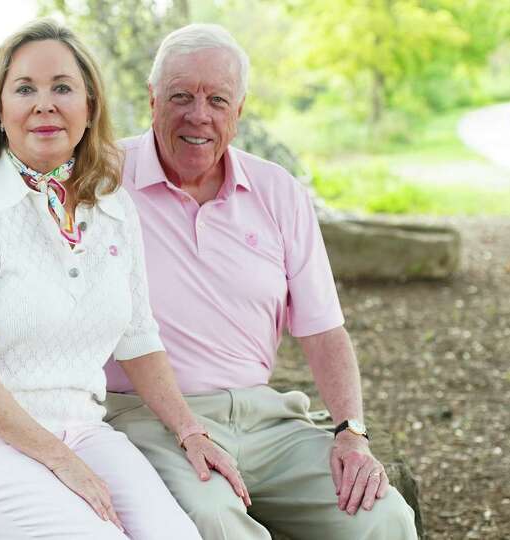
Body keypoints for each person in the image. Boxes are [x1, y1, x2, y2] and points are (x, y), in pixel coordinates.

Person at [0, 19, 237, 539]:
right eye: (25, 89)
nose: (45, 104)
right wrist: (59, 461)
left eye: (62, 88)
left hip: (83, 429)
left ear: (89, 107)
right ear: (0, 111)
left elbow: (138, 339)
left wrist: (190, 430)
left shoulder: (111, 203)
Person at [103, 24, 419, 540]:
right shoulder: (101, 180)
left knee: (383, 518)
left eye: (217, 100)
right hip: (150, 419)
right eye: (181, 96)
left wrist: (351, 435)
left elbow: (323, 332)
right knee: (211, 520)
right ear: (153, 99)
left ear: (240, 110)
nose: (198, 115)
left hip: (266, 418)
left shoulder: (277, 191)